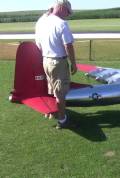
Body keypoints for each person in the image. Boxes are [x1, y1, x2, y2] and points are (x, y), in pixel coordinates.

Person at [35, 0, 77, 129]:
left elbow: (38, 43)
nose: (68, 14)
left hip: (46, 60)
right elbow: (68, 45)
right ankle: (63, 120)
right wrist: (73, 63)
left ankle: (53, 112)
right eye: (68, 11)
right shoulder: (62, 24)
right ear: (62, 8)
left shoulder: (42, 21)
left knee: (52, 89)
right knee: (60, 93)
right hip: (58, 62)